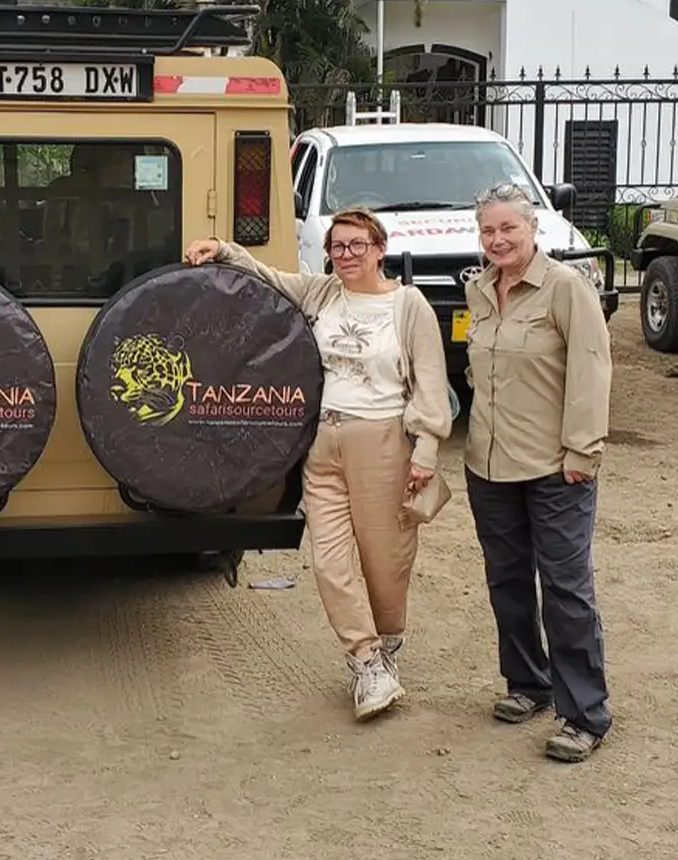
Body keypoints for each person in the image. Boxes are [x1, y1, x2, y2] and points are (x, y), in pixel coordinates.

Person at [184, 208, 452, 721]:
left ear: (379, 248)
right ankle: (366, 660)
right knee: (329, 560)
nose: (347, 255)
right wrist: (223, 249)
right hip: (322, 441)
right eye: (338, 247)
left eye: (357, 245)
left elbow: (432, 381)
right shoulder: (324, 292)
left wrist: (427, 449)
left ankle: (387, 640)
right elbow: (269, 280)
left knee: (384, 559)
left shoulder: (408, 305)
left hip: (382, 439)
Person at [463, 182, 613, 763]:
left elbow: (592, 369)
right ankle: (528, 683)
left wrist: (584, 450)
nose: (498, 240)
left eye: (509, 229)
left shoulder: (564, 289)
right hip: (489, 464)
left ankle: (585, 714)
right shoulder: (480, 290)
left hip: (556, 468)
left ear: (533, 230)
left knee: (566, 590)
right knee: (507, 582)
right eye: (488, 230)